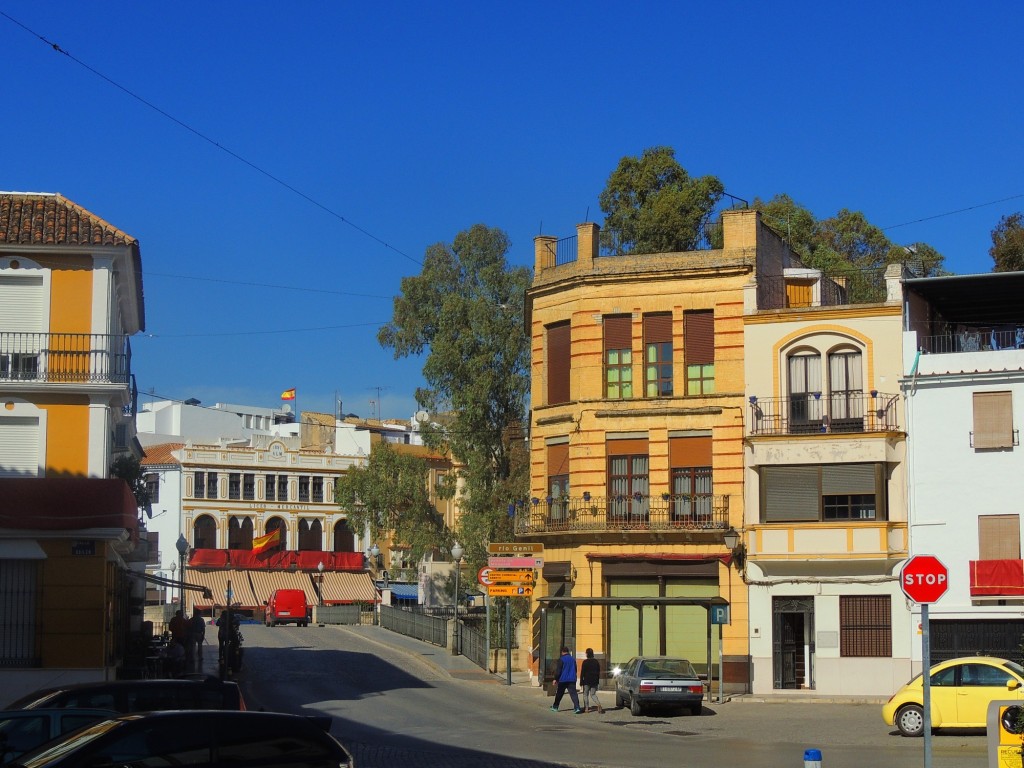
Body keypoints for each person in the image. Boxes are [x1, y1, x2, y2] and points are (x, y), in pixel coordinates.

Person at [550, 646, 582, 714]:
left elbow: (558, 671)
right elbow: (575, 669)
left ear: (562, 652)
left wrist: (555, 679)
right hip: (572, 679)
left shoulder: (561, 659)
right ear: (568, 652)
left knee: (559, 694)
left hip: (563, 679)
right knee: (573, 694)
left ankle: (555, 707)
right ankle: (577, 707)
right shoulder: (573, 659)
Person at [580, 648, 604, 713]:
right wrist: (597, 681)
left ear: (587, 654)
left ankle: (586, 708)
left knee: (585, 695)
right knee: (593, 694)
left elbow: (582, 673)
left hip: (587, 681)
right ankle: (598, 704)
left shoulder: (585, 662)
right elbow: (598, 672)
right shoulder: (596, 662)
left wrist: (581, 682)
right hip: (594, 681)